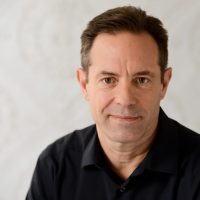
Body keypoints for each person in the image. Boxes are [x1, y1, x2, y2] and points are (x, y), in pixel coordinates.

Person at [26, 6, 200, 200]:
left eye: (142, 79)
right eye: (108, 80)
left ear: (164, 84)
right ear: (84, 85)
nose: (125, 100)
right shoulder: (55, 165)